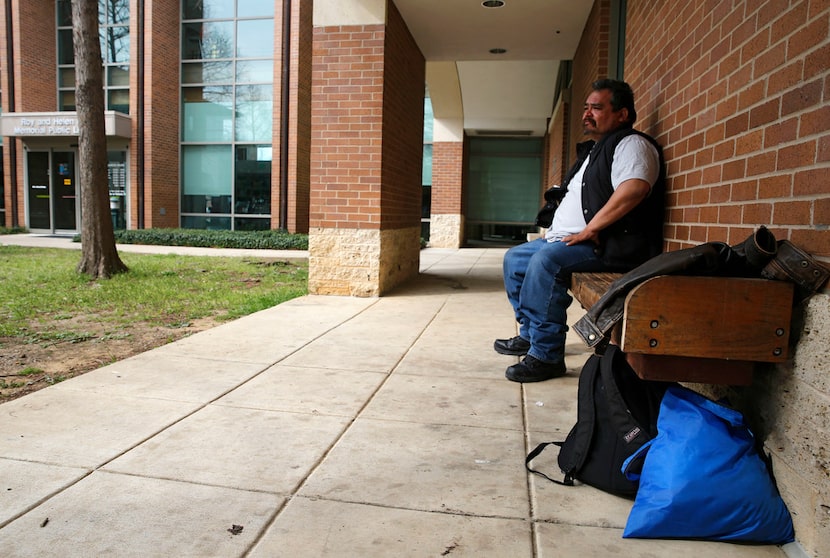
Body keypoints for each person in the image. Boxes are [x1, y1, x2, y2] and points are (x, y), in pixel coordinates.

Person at [495, 79, 665, 383]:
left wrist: (591, 229)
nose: (587, 113)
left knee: (545, 262)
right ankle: (530, 334)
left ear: (622, 114)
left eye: (597, 108)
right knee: (516, 260)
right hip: (567, 240)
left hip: (608, 245)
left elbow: (634, 189)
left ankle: (546, 355)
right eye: (586, 107)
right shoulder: (593, 151)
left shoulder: (631, 144)